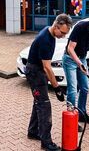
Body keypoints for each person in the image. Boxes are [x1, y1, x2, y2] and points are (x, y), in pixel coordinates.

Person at [26, 14, 72, 151]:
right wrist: (57, 88)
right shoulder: (45, 39)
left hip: (37, 70)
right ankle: (46, 142)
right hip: (35, 72)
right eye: (62, 33)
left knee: (39, 102)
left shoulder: (50, 32)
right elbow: (47, 67)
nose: (63, 36)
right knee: (44, 106)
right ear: (56, 26)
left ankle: (33, 131)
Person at [62, 6, 89, 129]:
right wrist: (79, 64)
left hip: (82, 58)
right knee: (73, 89)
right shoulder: (80, 27)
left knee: (85, 88)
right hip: (70, 59)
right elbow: (70, 49)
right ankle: (72, 117)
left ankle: (81, 113)